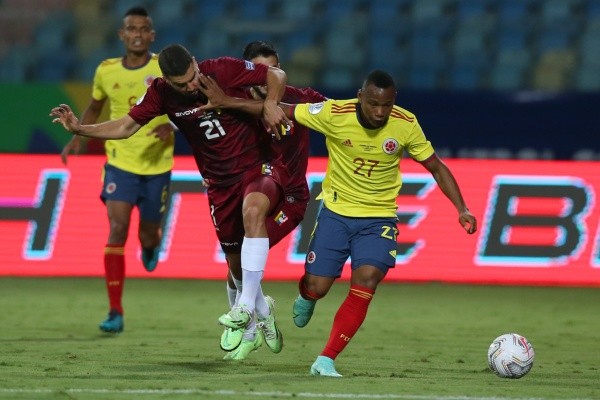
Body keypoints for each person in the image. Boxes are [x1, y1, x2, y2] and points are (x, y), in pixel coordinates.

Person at [50, 44, 289, 354]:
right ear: (165, 79)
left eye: (192, 77)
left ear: (194, 62)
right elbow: (125, 126)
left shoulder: (222, 68)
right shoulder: (162, 93)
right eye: (182, 83)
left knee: (253, 210)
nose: (191, 86)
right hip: (219, 182)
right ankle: (263, 312)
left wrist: (271, 102)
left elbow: (276, 74)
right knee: (235, 265)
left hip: (256, 166)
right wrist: (80, 129)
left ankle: (244, 309)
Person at [279, 70, 478, 377]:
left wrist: (462, 208)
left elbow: (436, 167)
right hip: (336, 213)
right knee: (318, 286)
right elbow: (284, 109)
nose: (379, 112)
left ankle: (327, 358)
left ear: (393, 101)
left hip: (379, 218)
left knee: (367, 278)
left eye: (386, 105)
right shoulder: (334, 113)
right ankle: (308, 296)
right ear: (361, 97)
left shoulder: (406, 123)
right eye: (373, 104)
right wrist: (232, 101)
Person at [200, 40, 327, 360]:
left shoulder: (302, 100)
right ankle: (255, 320)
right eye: (260, 70)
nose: (267, 76)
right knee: (235, 264)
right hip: (253, 191)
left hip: (292, 199)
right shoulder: (227, 107)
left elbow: (342, 115)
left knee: (244, 259)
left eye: (274, 68)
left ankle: (253, 321)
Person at [59, 6, 175, 334]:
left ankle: (151, 245)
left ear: (151, 36)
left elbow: (187, 105)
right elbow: (96, 105)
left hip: (157, 165)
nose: (137, 34)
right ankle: (115, 311)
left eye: (143, 29)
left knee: (147, 233)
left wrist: (174, 129)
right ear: (121, 35)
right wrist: (78, 136)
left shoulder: (163, 68)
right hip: (119, 164)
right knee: (117, 229)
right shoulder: (106, 70)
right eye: (131, 29)